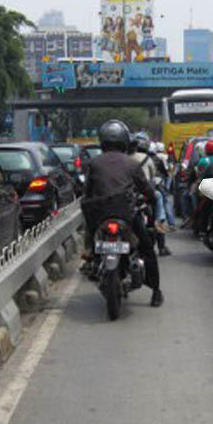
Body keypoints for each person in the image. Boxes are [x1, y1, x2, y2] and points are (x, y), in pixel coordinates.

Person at [85, 120, 164, 307]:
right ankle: (155, 292)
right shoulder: (132, 164)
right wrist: (152, 200)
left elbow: (87, 192)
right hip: (126, 214)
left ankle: (90, 254)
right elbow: (147, 190)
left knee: (90, 238)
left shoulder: (93, 163)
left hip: (100, 215)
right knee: (147, 249)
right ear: (124, 141)